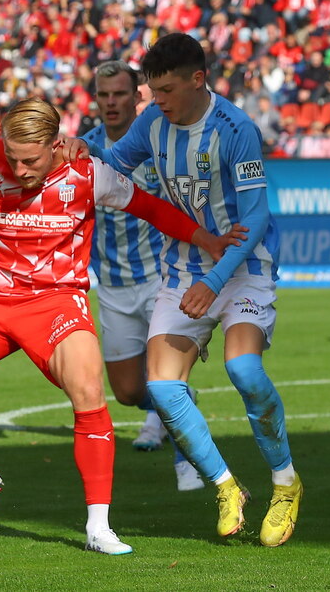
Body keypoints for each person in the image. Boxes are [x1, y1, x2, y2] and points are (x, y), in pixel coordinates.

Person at [0, 97, 241, 555]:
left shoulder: (88, 174)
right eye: (12, 156)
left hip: (56, 302)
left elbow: (149, 208)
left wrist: (208, 240)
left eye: (30, 159)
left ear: (56, 145)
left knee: (88, 389)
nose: (19, 167)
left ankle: (98, 527)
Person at [61, 32, 302, 548]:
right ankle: (226, 486)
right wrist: (84, 152)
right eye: (153, 90)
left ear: (199, 79)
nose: (158, 100)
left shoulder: (236, 129)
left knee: (243, 368)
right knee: (163, 386)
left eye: (166, 90)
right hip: (182, 268)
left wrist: (214, 281)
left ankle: (285, 483)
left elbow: (256, 217)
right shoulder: (152, 123)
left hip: (242, 267)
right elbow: (114, 165)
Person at [84, 60, 208, 492]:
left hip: (162, 279)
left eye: (120, 93)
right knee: (128, 393)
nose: (111, 102)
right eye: (104, 95)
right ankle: (179, 408)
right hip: (113, 286)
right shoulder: (84, 150)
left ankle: (188, 457)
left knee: (164, 378)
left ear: (138, 96)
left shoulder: (160, 140)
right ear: (95, 99)